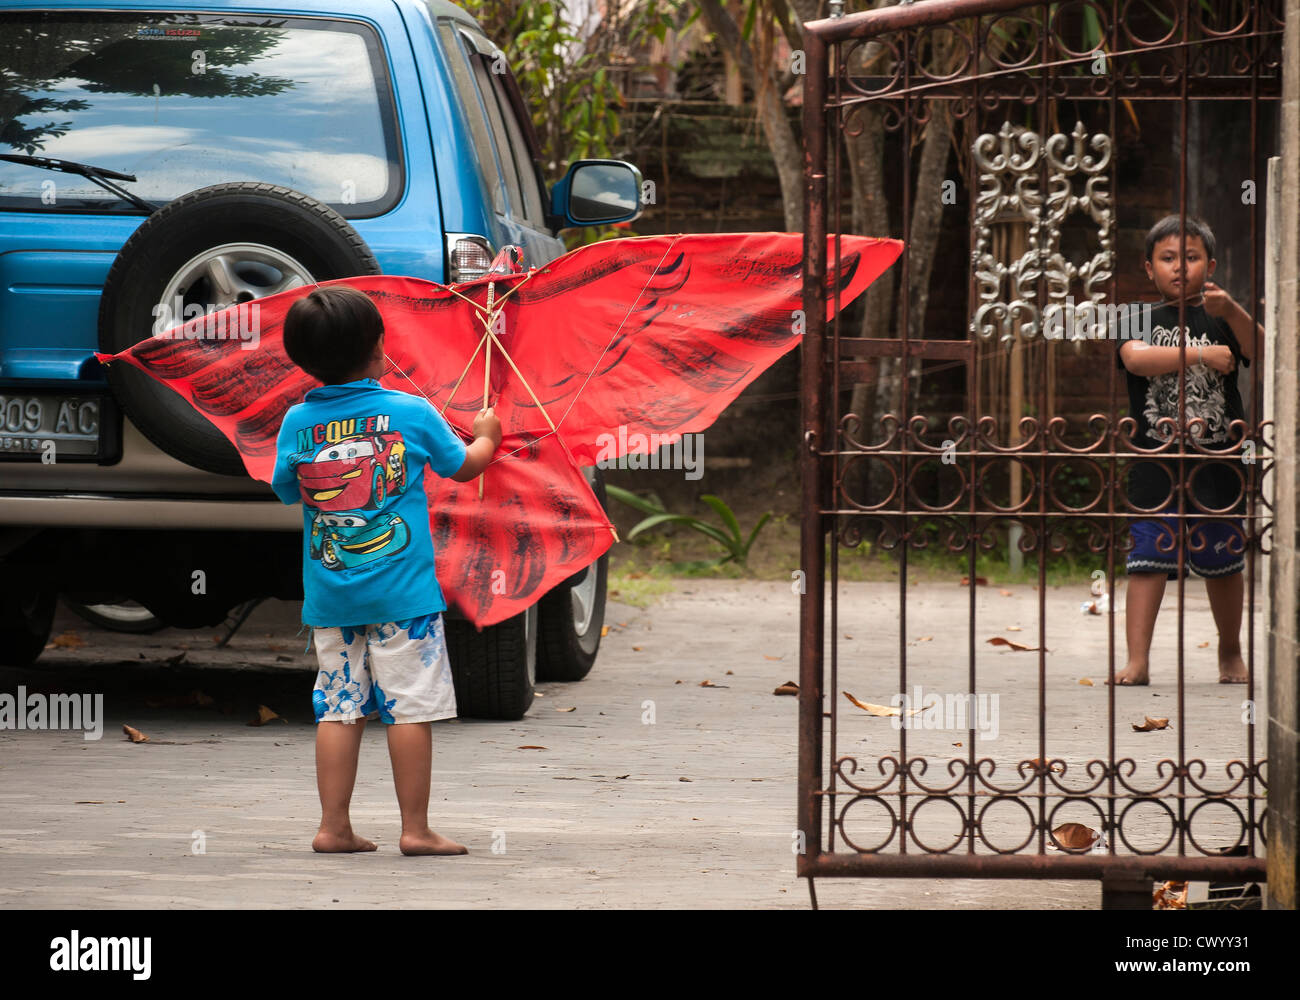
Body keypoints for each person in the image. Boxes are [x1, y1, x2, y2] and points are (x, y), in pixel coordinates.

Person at [271, 284, 502, 853]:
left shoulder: (296, 422)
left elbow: (284, 490)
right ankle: (416, 830)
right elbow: (464, 468)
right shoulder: (411, 411)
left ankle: (333, 828)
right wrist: (488, 436)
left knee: (339, 707)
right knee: (410, 711)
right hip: (405, 599)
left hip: (331, 597)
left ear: (301, 357)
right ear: (378, 348)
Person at [1115, 215, 1262, 686]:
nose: (1180, 267)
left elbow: (1261, 348)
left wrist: (1233, 309)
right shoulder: (1136, 318)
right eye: (1168, 258)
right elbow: (1136, 359)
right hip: (1155, 456)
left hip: (1217, 456)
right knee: (1147, 559)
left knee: (1224, 558)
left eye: (1192, 257)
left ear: (1211, 265)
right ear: (1149, 269)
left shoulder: (1222, 316)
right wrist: (1200, 355)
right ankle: (1138, 660)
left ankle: (1230, 650)